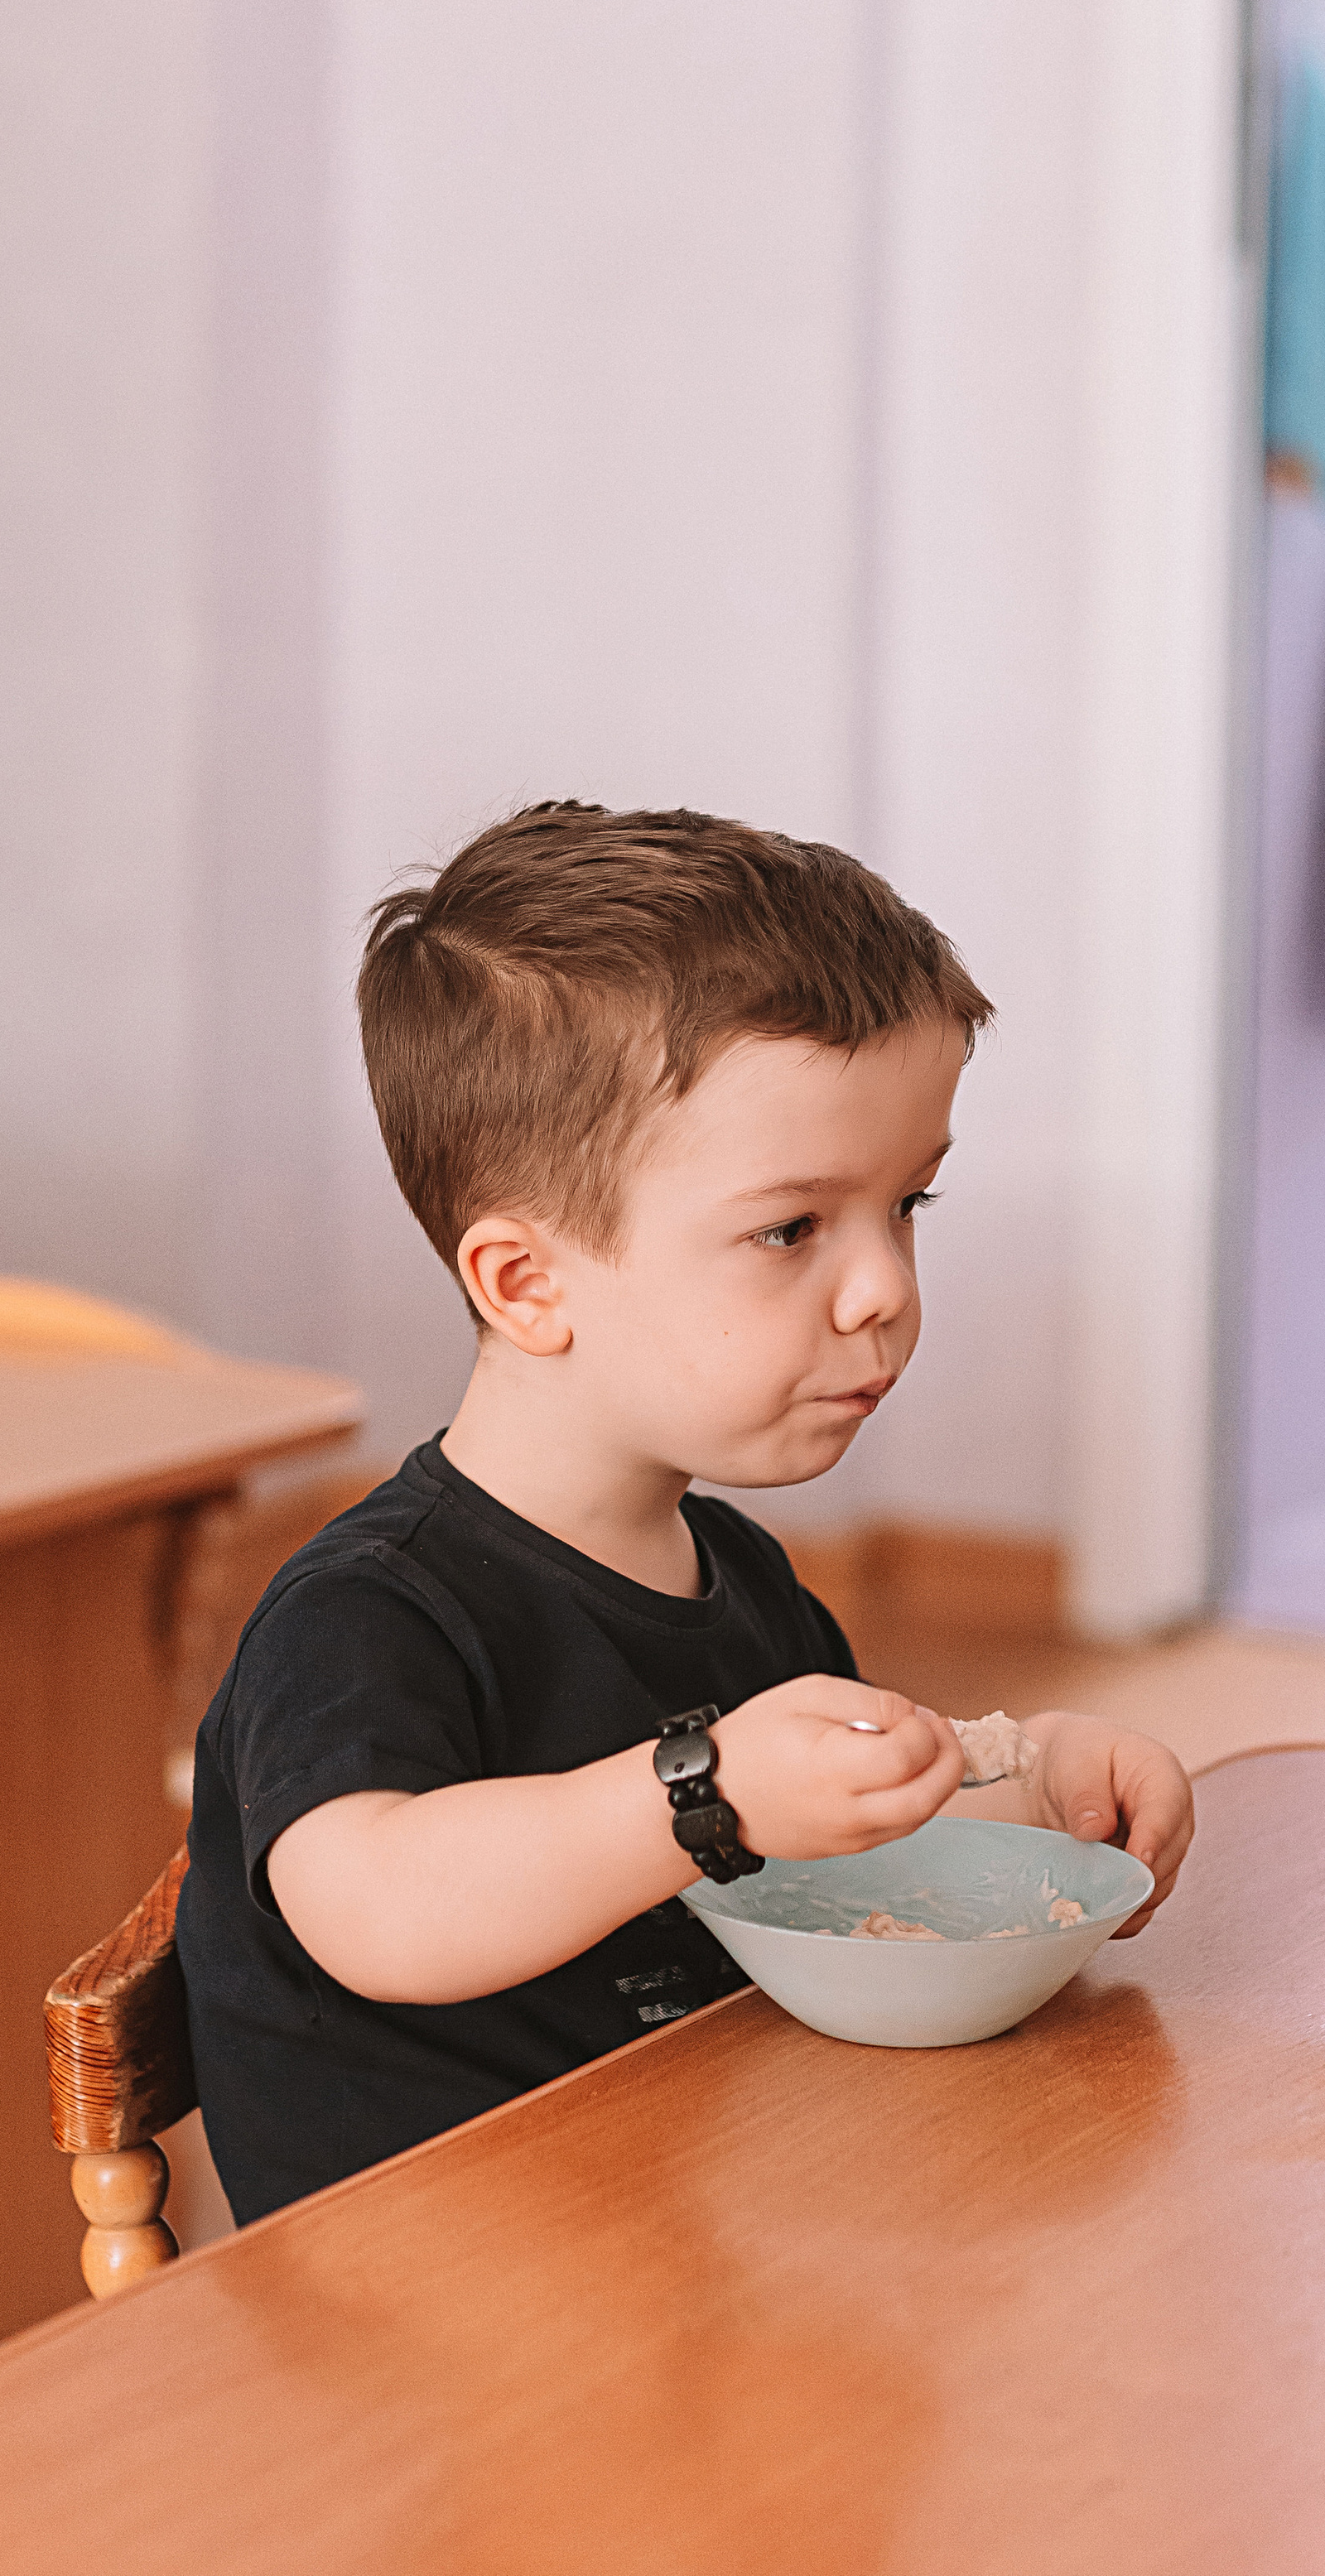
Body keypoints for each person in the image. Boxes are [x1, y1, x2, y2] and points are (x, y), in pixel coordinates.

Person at [178, 802, 1195, 2222]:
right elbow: (374, 1907)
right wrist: (701, 1795)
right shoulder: (370, 1614)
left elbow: (838, 1853)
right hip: (432, 2343)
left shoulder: (741, 1582)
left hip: (702, 2246)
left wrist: (1032, 1782)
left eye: (908, 1204)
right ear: (527, 1285)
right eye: (794, 1229)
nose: (884, 1288)